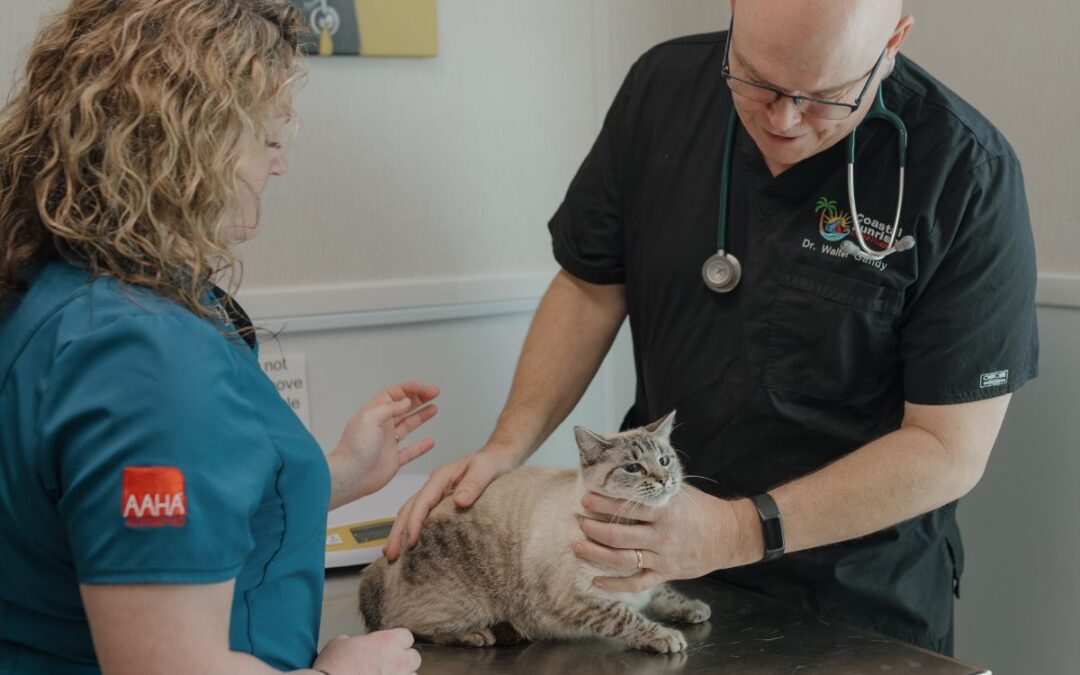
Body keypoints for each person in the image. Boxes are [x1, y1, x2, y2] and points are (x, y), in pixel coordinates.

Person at [387, 0, 1038, 655]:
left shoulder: (966, 174)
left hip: (856, 597)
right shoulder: (661, 91)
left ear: (893, 43)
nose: (783, 118)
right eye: (756, 80)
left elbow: (947, 448)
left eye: (825, 96)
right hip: (645, 570)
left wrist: (735, 530)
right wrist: (506, 447)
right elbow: (589, 287)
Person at [0, 1, 429, 673]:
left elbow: (112, 514)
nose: (277, 166)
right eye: (268, 139)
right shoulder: (143, 356)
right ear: (191, 143)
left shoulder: (62, 289)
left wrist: (339, 472)